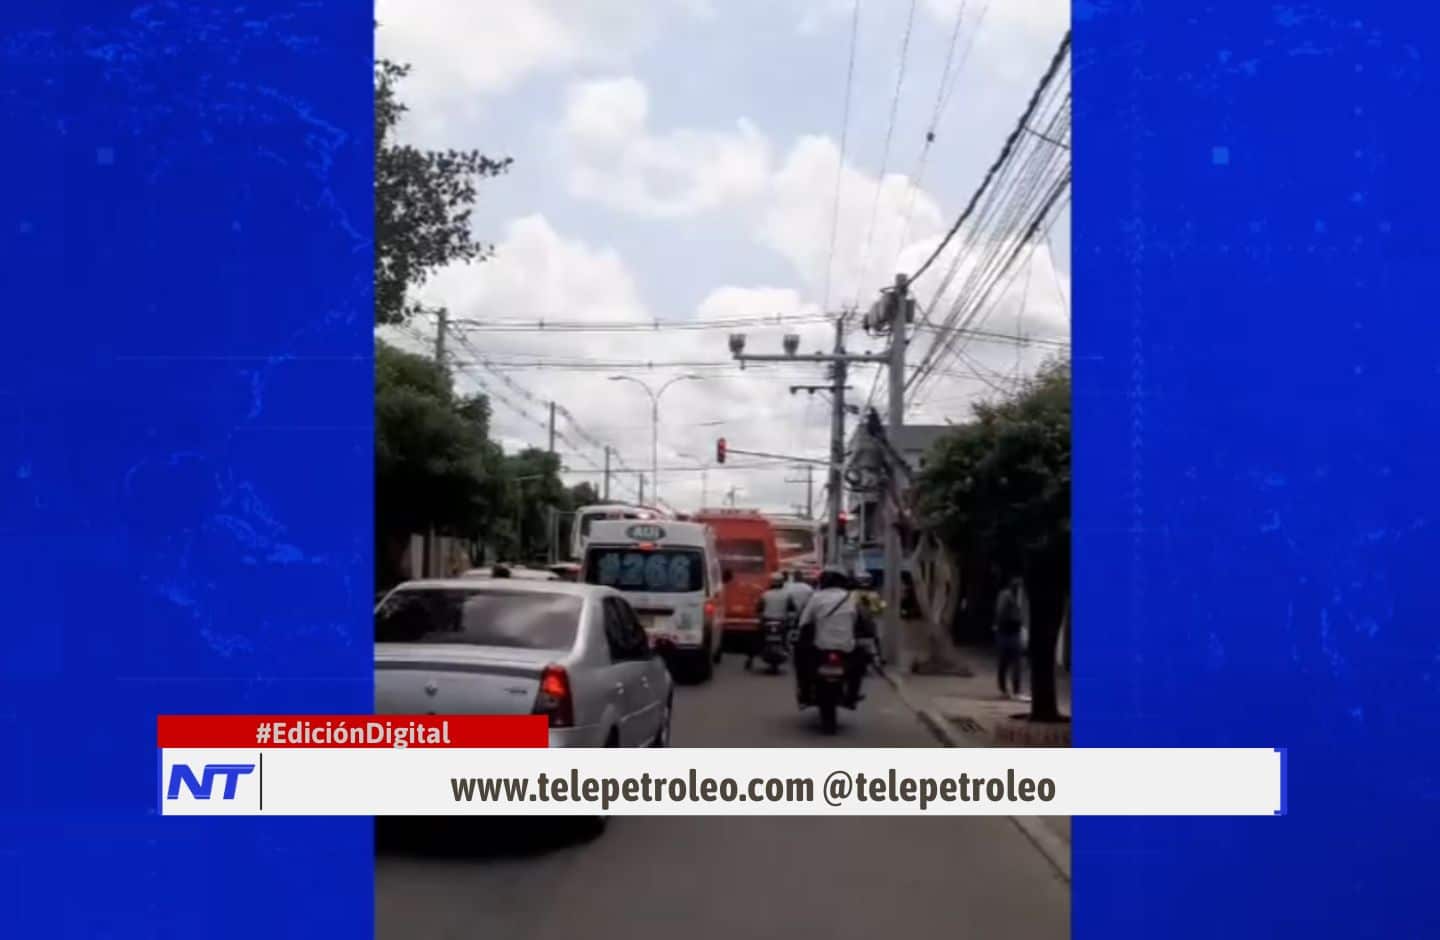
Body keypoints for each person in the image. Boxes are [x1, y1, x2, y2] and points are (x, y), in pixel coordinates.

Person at [794, 567, 868, 707]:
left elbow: (803, 622)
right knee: (860, 665)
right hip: (847, 648)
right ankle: (853, 695)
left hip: (820, 647)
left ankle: (804, 694)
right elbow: (863, 623)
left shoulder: (816, 598)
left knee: (801, 661)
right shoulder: (852, 598)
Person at [751, 572, 797, 671]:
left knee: (757, 639)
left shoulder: (765, 594)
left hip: (767, 620)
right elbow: (792, 609)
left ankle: (750, 658)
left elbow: (759, 608)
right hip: (782, 621)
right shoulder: (787, 594)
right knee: (786, 639)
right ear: (782, 583)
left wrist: (759, 613)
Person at [993, 575, 1028, 699]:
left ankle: (1013, 689)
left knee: (1014, 662)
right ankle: (1005, 689)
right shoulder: (1006, 596)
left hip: (1013, 632)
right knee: (1005, 662)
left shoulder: (1019, 598)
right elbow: (1001, 612)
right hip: (1006, 631)